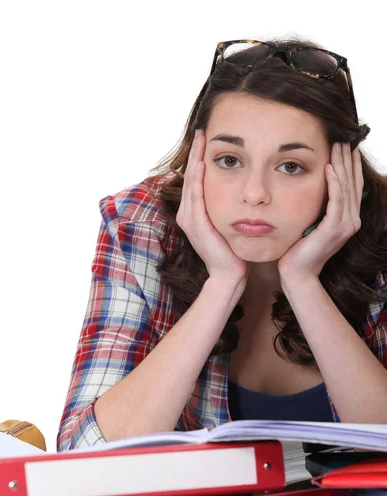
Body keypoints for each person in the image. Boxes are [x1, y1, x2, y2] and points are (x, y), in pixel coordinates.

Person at [57, 36, 387, 451]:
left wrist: (303, 281)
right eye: (229, 160)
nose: (254, 194)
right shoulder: (140, 224)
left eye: (290, 166)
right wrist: (222, 282)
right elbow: (83, 456)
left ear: (341, 171)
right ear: (197, 159)